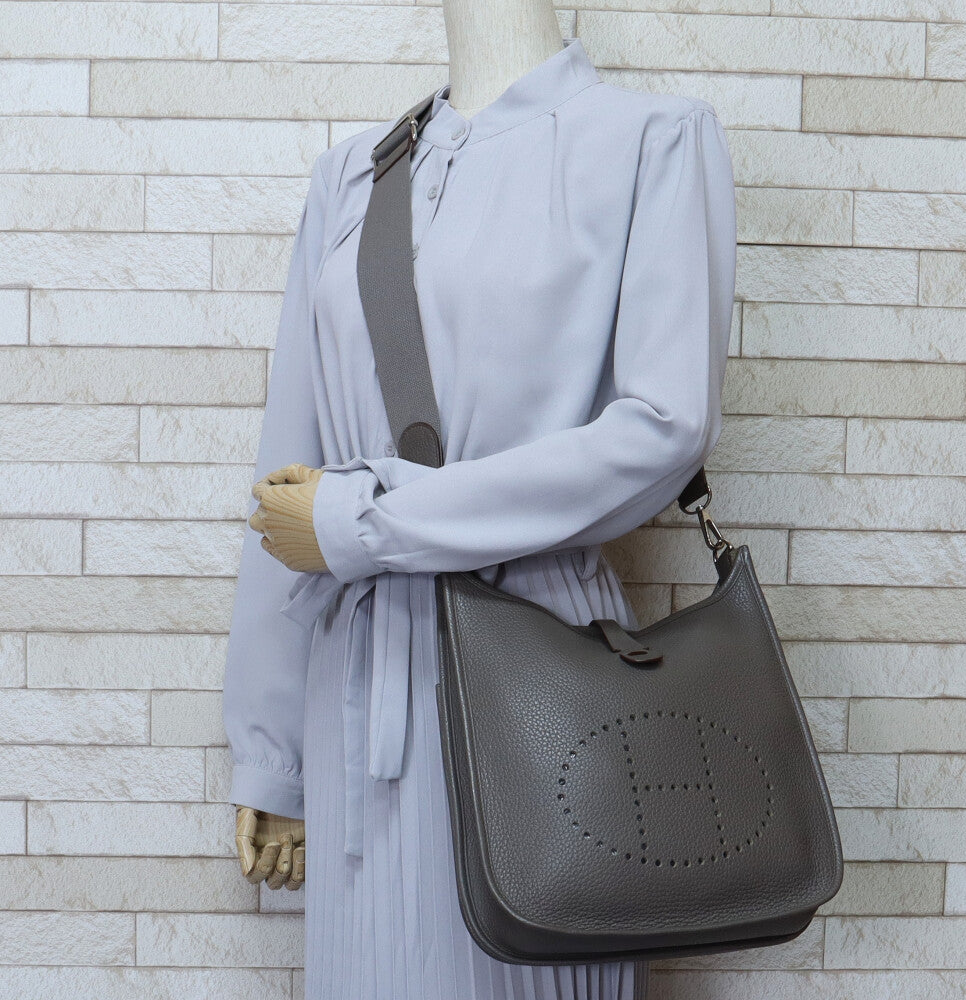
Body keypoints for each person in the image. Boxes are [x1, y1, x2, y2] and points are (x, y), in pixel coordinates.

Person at [222, 29, 737, 1000]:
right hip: (360, 689)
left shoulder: (651, 140)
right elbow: (291, 477)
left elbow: (663, 429)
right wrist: (271, 754)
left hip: (543, 675)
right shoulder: (352, 176)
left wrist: (368, 520)